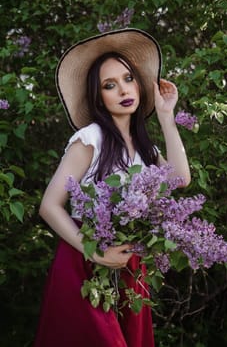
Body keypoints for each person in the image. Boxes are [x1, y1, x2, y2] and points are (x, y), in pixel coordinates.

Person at [34, 28, 191, 347]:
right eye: (110, 84)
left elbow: (181, 179)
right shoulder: (89, 139)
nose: (122, 89)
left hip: (129, 264)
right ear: (99, 97)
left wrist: (166, 115)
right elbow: (49, 206)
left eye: (128, 78)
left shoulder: (145, 149)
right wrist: (98, 253)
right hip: (85, 259)